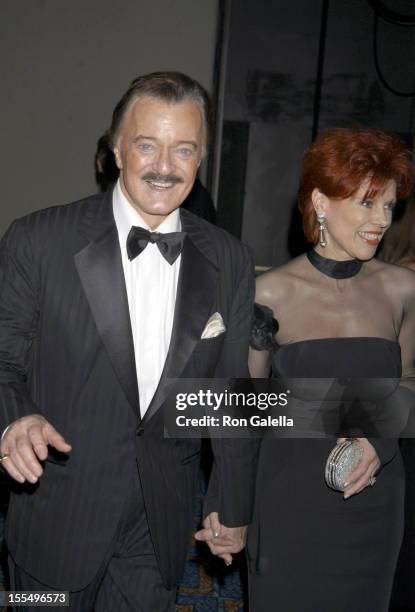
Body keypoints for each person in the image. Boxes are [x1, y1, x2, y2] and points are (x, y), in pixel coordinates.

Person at [0, 72, 258, 611]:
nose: (164, 166)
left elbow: (229, 394)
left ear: (201, 156)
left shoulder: (229, 257)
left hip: (159, 527)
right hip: (56, 519)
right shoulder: (37, 240)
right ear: (117, 149)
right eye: (147, 145)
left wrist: (230, 501)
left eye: (183, 149)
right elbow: (4, 362)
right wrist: (15, 417)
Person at [248, 127, 415, 612]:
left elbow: (408, 381)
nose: (381, 219)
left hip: (376, 501)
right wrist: (230, 509)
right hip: (289, 503)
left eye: (389, 205)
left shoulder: (404, 290)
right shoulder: (268, 293)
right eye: (367, 203)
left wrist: (375, 440)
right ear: (320, 201)